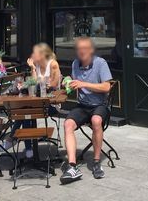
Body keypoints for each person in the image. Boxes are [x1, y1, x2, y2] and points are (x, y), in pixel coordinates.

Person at [60, 37, 113, 184]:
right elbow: (74, 86)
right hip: (83, 105)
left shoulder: (100, 63)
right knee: (68, 124)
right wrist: (68, 84)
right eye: (79, 48)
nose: (81, 51)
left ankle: (96, 162)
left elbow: (107, 87)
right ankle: (72, 166)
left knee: (96, 120)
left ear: (91, 50)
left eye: (85, 48)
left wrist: (84, 84)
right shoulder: (75, 64)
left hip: (100, 105)